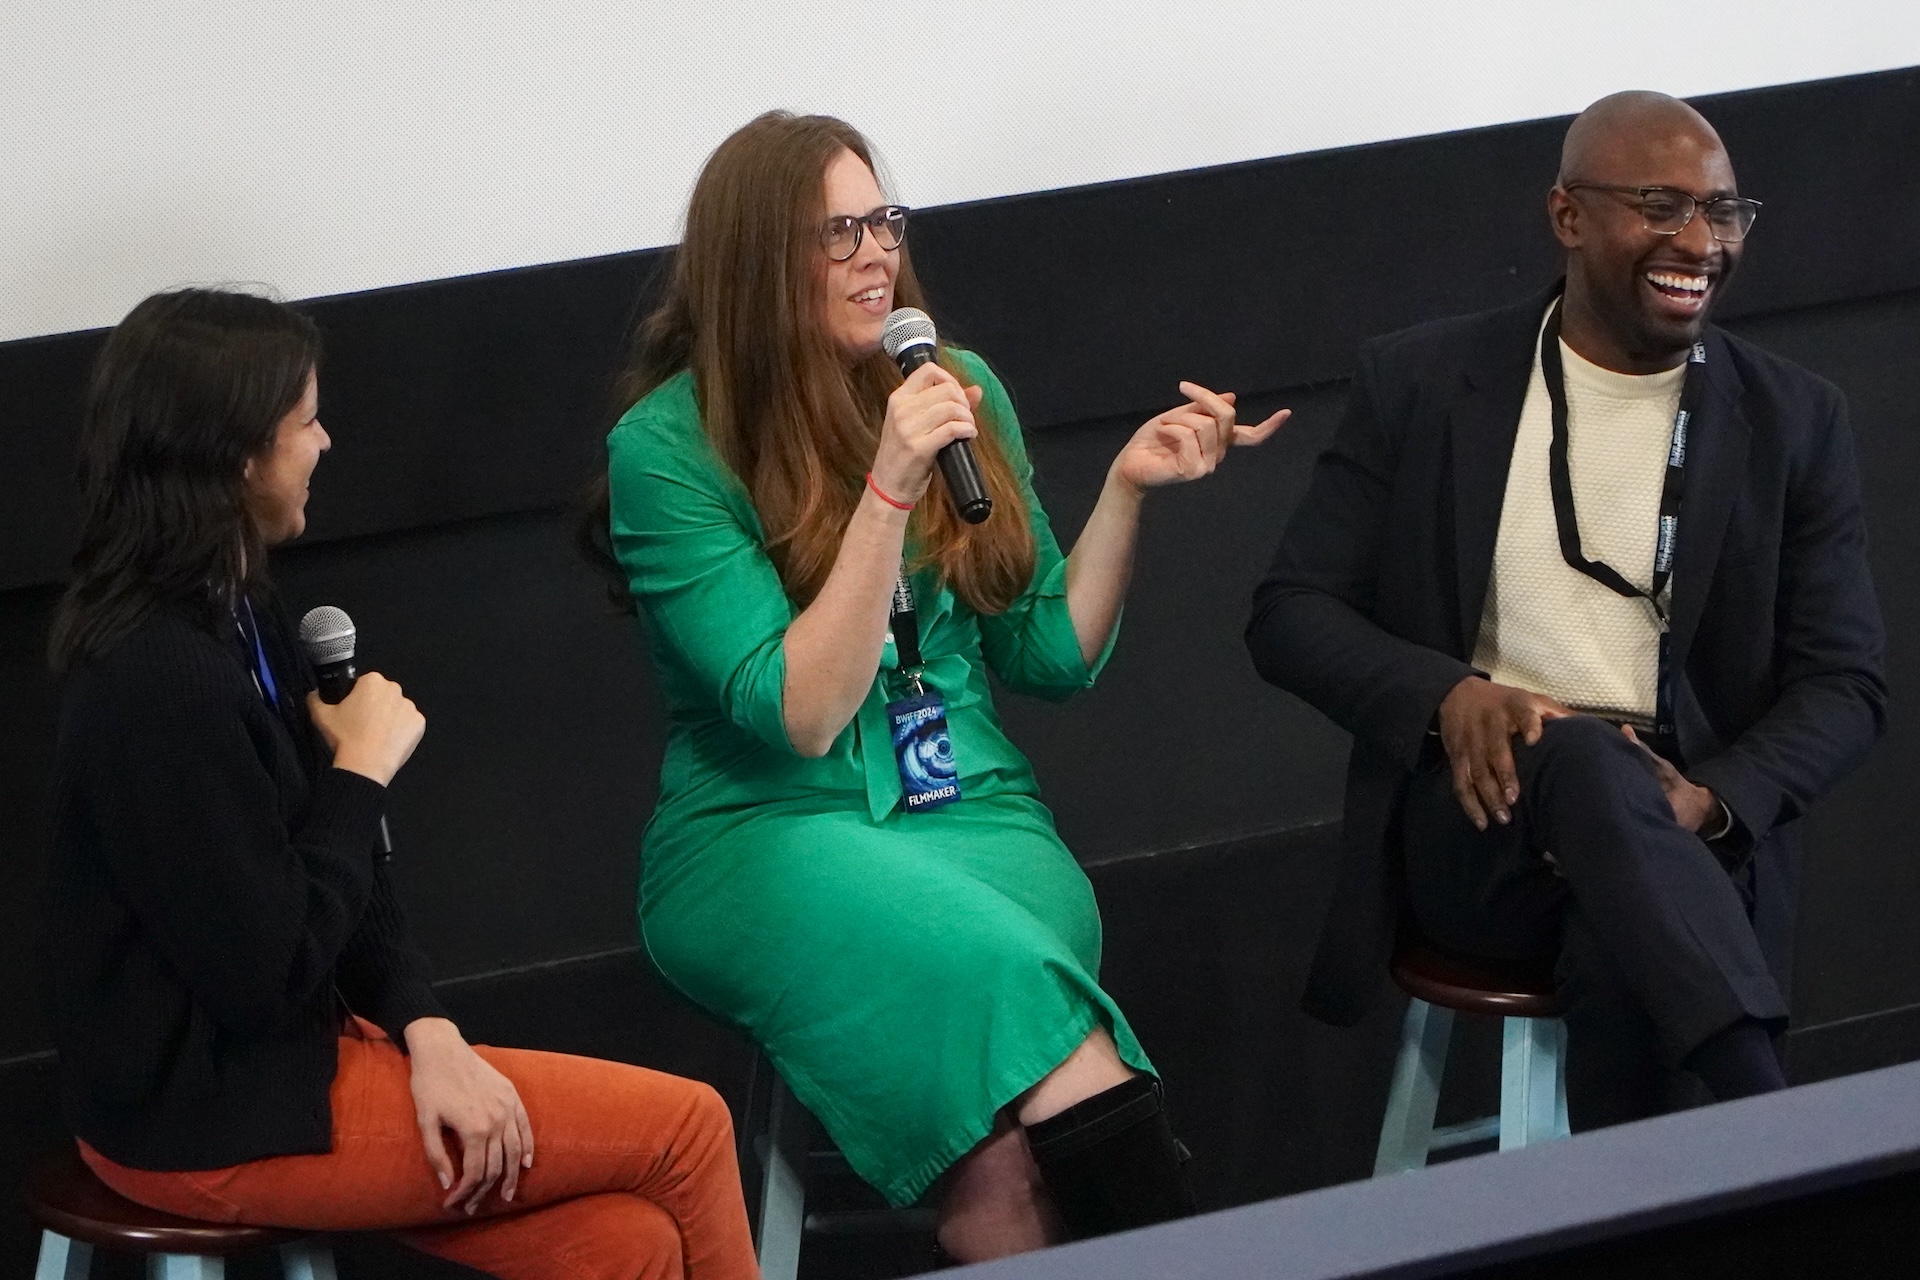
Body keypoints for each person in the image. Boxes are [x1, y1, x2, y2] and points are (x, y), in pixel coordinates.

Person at [582, 111, 1285, 1262]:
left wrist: (1127, 488)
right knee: (1030, 1008)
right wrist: (889, 486)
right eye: (839, 231)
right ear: (760, 258)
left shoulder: (954, 384)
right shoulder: (667, 449)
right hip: (772, 834)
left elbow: (1048, 652)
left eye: (884, 220)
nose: (877, 254)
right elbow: (801, 712)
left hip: (973, 814)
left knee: (1007, 1155)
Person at [41, 288, 759, 1280]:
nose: (327, 442)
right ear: (240, 457)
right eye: (306, 422)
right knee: (689, 1127)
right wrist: (359, 769)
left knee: (625, 1246)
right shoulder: (156, 678)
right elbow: (268, 969)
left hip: (300, 1051)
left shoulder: (235, 607)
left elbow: (345, 892)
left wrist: (428, 1030)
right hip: (210, 1110)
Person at [1246, 91, 1886, 1127]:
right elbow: (1289, 611)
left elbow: (1848, 685)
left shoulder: (1795, 419)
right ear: (1568, 216)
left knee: (1623, 937)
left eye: (1722, 212)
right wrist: (1446, 692)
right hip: (1482, 822)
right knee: (1584, 757)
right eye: (1660, 204)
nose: (1700, 241)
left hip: (1684, 837)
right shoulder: (1420, 381)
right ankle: (1779, 1134)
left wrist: (1708, 799)